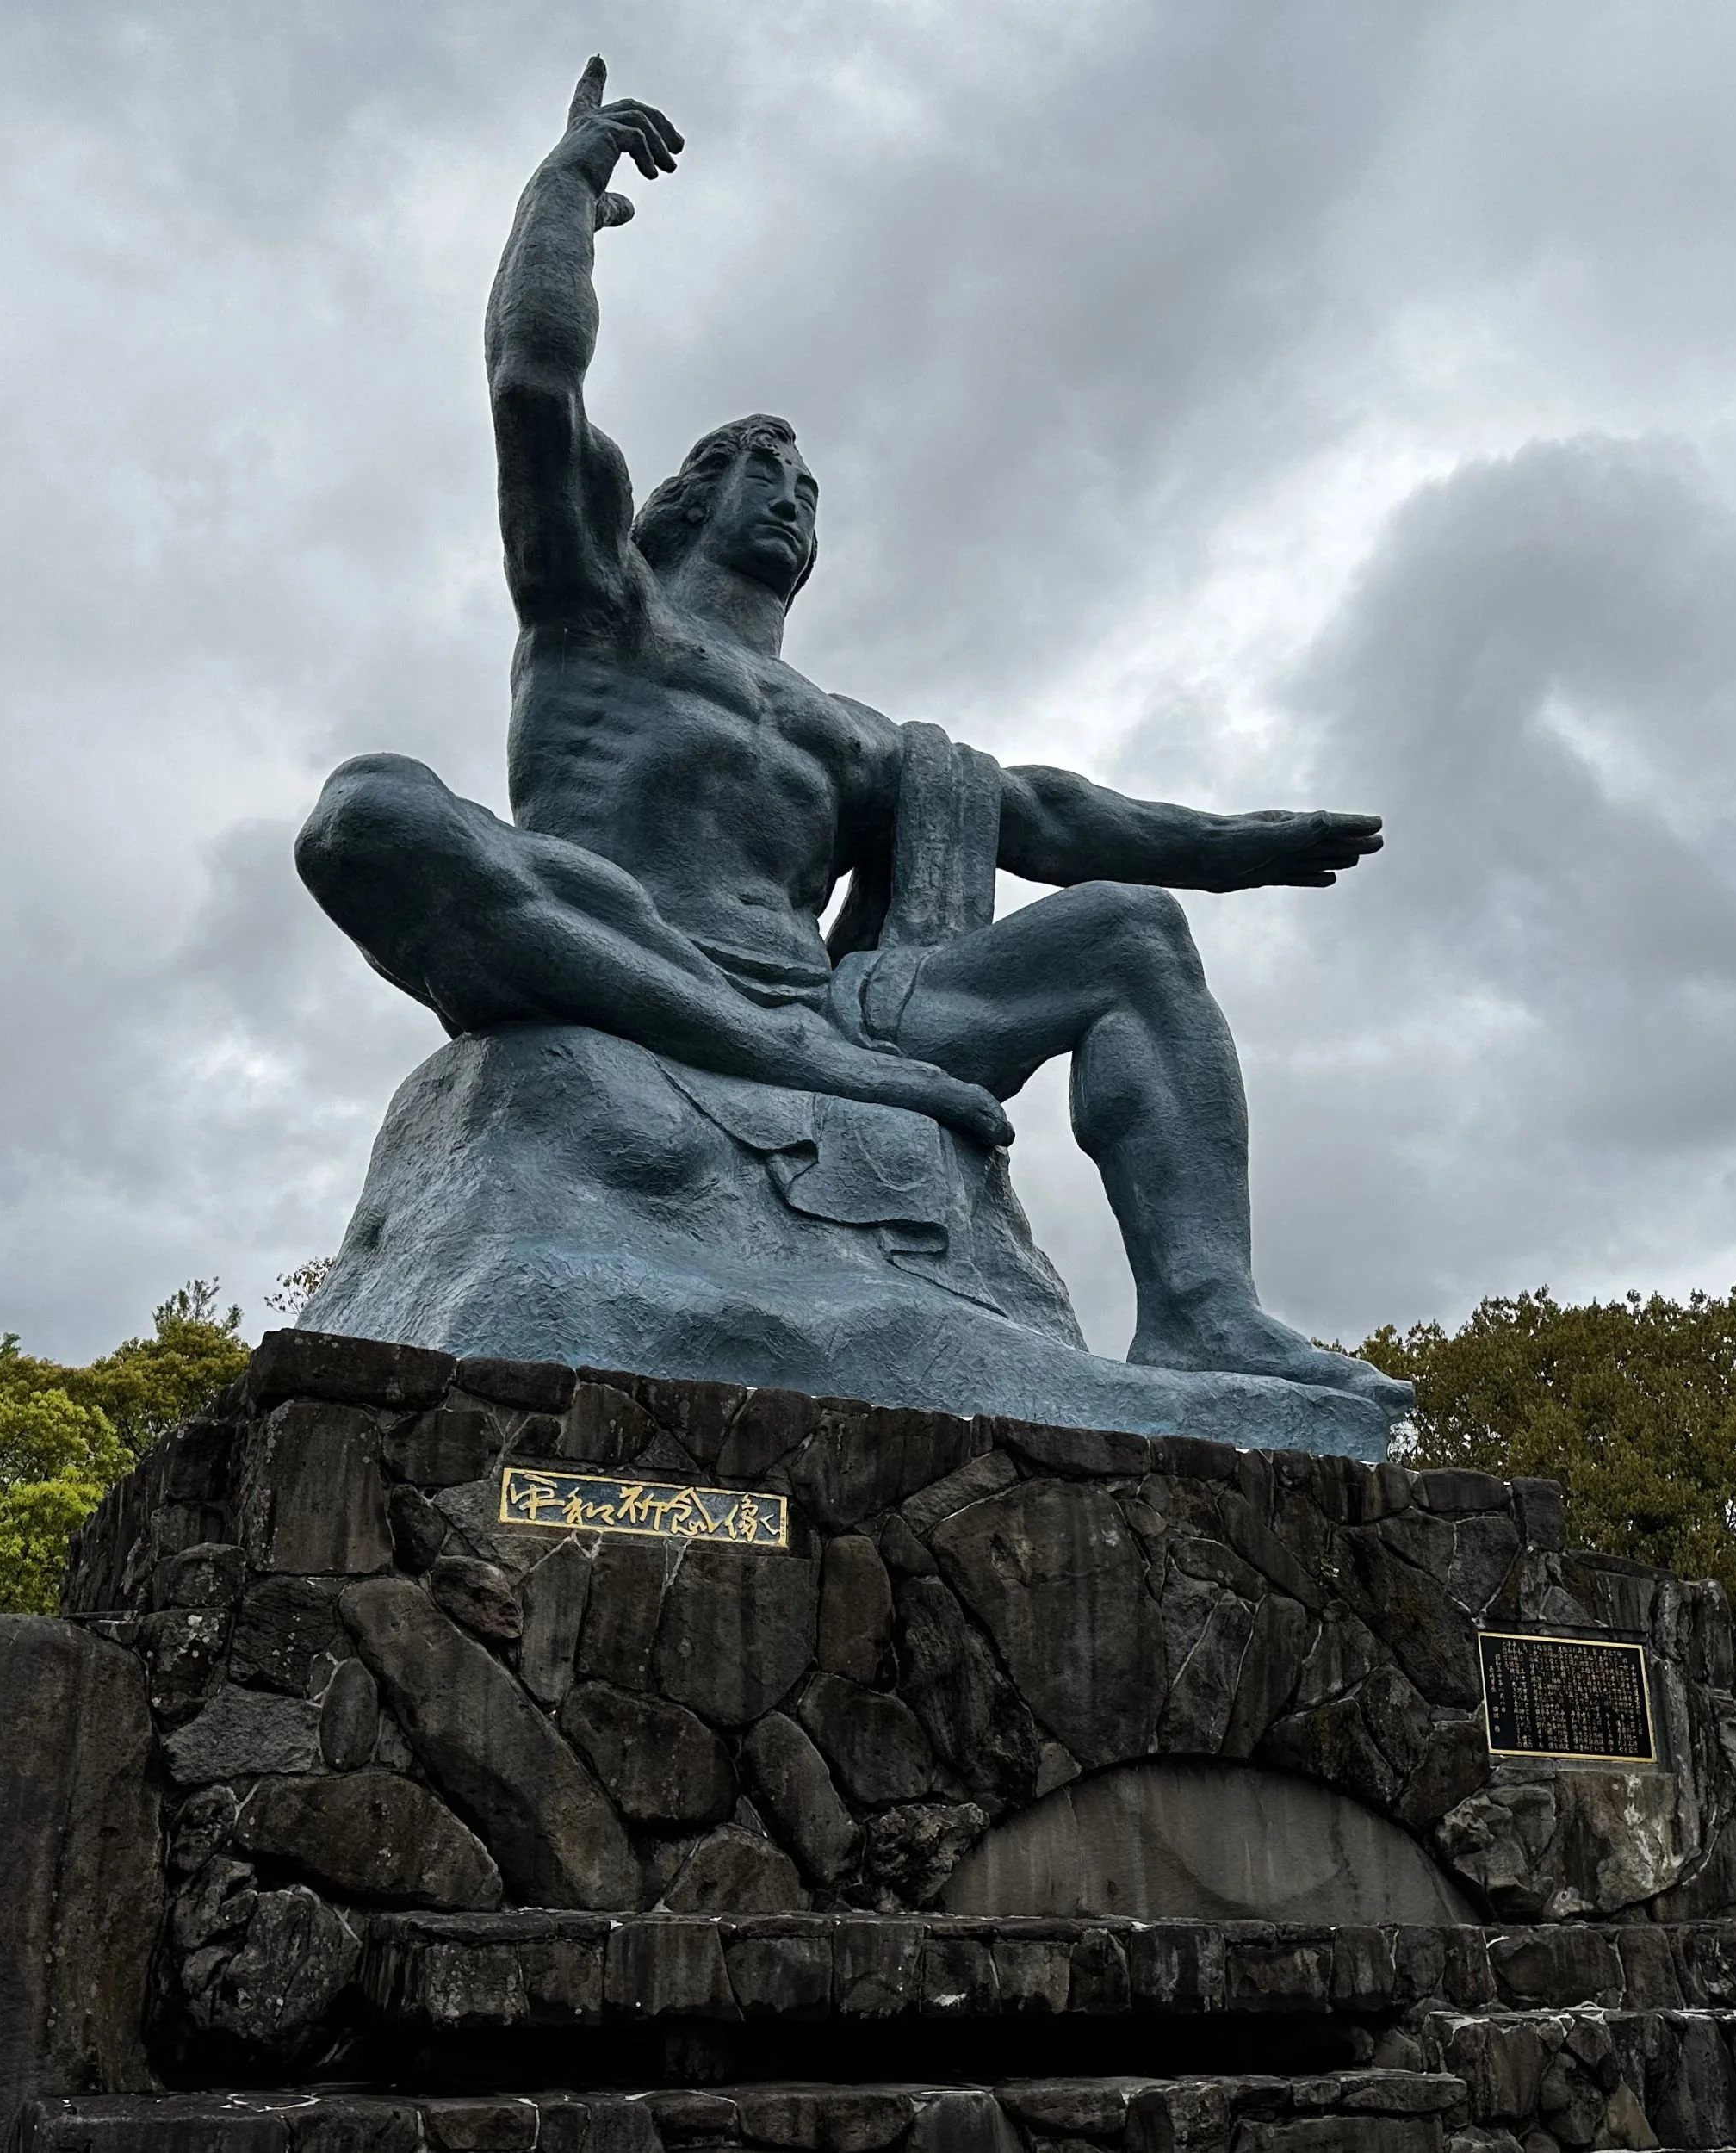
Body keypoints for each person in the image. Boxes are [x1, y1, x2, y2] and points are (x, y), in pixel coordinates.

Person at [298, 59, 1390, 1396]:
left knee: (1132, 935)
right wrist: (563, 189)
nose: (796, 499)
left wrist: (1240, 846)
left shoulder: (852, 735)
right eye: (766, 472)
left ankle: (1207, 1313)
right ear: (690, 497)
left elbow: (1046, 813)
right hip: (613, 945)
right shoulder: (602, 611)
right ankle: (745, 1045)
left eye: (811, 487)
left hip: (837, 1009)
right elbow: (535, 383)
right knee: (371, 811)